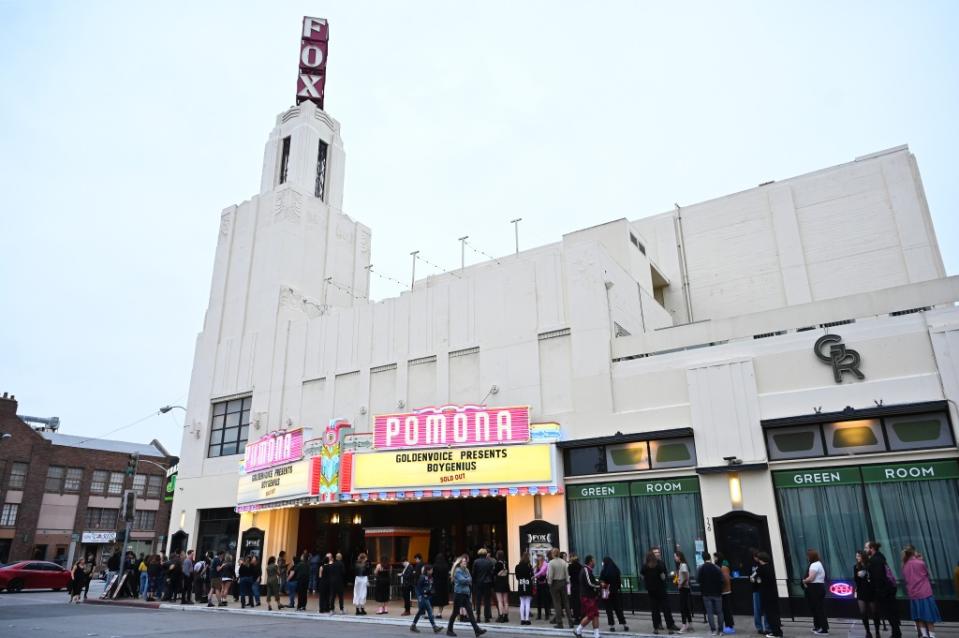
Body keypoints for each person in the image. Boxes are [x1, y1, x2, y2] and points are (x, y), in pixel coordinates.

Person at [902, 545, 941, 638]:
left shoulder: (905, 565)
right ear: (913, 552)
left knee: (919, 616)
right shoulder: (920, 563)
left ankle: (924, 635)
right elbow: (926, 573)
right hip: (924, 592)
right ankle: (932, 635)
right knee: (928, 616)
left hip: (913, 594)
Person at [866, 540, 902, 638]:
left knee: (889, 612)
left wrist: (878, 591)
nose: (865, 550)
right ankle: (896, 632)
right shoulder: (880, 557)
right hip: (888, 589)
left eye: (866, 548)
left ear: (871, 548)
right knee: (891, 612)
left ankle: (896, 633)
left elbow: (878, 577)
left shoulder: (875, 560)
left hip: (884, 591)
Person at [446, 554, 487, 637]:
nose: (465, 563)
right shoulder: (457, 571)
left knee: (470, 613)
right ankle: (449, 630)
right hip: (459, 594)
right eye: (463, 562)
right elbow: (462, 581)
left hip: (465, 594)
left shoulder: (467, 570)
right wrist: (467, 579)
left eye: (465, 562)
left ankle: (477, 630)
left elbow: (470, 579)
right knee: (455, 613)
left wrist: (467, 579)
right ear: (460, 563)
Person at [642, 549, 679, 634]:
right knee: (665, 608)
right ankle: (669, 627)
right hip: (660, 589)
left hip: (651, 590)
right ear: (652, 554)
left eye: (658, 552)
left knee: (655, 609)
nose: (657, 554)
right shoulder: (659, 565)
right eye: (655, 553)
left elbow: (642, 576)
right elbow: (663, 577)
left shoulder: (645, 566)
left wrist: (649, 581)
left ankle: (656, 627)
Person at [754, 552, 782, 638]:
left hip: (766, 594)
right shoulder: (770, 567)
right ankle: (777, 631)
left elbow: (758, 580)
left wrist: (755, 580)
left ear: (761, 559)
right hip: (773, 593)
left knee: (770, 614)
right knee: (774, 613)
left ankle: (775, 633)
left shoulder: (761, 569)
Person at [410, 563, 444, 633]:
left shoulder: (429, 577)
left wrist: (431, 591)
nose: (432, 571)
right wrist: (420, 596)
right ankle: (434, 627)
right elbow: (418, 587)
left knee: (420, 612)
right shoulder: (423, 577)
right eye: (431, 570)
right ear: (428, 570)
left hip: (426, 597)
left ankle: (413, 625)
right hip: (423, 597)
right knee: (429, 611)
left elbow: (429, 587)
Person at [697, 552, 725, 636]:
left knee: (710, 613)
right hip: (717, 593)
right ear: (710, 558)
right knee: (720, 612)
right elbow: (722, 579)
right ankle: (721, 630)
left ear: (703, 559)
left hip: (706, 593)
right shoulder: (716, 567)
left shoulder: (700, 568)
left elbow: (698, 580)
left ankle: (713, 630)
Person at [599, 556, 629, 633]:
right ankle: (624, 624)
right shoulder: (616, 569)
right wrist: (616, 588)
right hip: (615, 592)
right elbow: (619, 582)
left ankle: (612, 626)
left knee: (609, 610)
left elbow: (601, 580)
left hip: (606, 592)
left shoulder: (604, 571)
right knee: (618, 609)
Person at [575, 555, 602, 638]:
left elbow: (592, 581)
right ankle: (578, 630)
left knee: (595, 614)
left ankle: (596, 635)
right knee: (591, 615)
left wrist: (598, 583)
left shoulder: (588, 570)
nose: (594, 562)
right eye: (593, 560)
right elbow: (590, 583)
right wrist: (600, 585)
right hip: (587, 596)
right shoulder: (586, 570)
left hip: (590, 596)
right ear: (590, 561)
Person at [802, 549, 828, 635]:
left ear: (811, 556)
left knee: (818, 609)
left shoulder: (814, 565)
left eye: (808, 556)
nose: (807, 557)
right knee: (818, 608)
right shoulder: (819, 564)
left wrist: (804, 581)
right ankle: (819, 626)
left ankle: (823, 629)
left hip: (815, 588)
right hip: (819, 587)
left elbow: (811, 578)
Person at [854, 551, 879, 638]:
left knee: (874, 612)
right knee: (863, 612)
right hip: (861, 591)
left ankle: (877, 631)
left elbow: (875, 578)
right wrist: (858, 575)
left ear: (863, 557)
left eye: (859, 556)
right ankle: (868, 632)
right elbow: (856, 581)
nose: (857, 558)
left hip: (871, 591)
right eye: (856, 556)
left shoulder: (870, 565)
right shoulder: (856, 567)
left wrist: (867, 574)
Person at [548, 548, 573, 628]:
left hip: (555, 583)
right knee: (566, 602)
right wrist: (567, 581)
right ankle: (570, 621)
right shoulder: (563, 562)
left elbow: (551, 575)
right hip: (563, 582)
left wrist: (549, 583)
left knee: (557, 603)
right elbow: (567, 573)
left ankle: (560, 623)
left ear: (553, 554)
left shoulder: (551, 563)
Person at [747, 550, 767, 636]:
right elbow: (750, 575)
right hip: (756, 589)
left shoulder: (763, 565)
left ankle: (767, 626)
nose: (756, 559)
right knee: (757, 609)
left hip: (763, 589)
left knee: (766, 609)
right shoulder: (752, 565)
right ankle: (759, 627)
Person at [713, 552, 734, 634]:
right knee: (725, 609)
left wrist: (719, 588)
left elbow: (725, 580)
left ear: (718, 557)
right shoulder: (720, 566)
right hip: (724, 591)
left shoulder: (723, 567)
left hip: (725, 591)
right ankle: (728, 625)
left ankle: (730, 626)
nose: (714, 559)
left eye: (715, 557)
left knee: (726, 609)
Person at [472, 548, 495, 622]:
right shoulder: (489, 562)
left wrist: (474, 582)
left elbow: (474, 573)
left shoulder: (476, 562)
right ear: (485, 554)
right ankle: (486, 617)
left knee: (478, 600)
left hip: (478, 583)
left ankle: (478, 617)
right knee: (487, 601)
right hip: (487, 583)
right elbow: (491, 573)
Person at [675, 551, 693, 633]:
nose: (675, 558)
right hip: (684, 588)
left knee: (683, 607)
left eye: (675, 556)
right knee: (685, 607)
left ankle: (684, 625)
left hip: (684, 588)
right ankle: (690, 624)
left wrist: (681, 584)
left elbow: (686, 576)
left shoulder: (683, 565)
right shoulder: (682, 565)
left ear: (679, 557)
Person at [515, 552, 534, 626]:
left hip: (521, 584)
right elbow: (532, 576)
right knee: (528, 602)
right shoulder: (529, 566)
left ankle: (522, 619)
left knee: (522, 602)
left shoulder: (518, 566)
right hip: (528, 584)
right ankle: (527, 619)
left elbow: (517, 577)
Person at [493, 550, 510, 623]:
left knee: (500, 600)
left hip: (499, 582)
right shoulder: (505, 563)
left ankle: (501, 615)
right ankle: (506, 616)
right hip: (505, 582)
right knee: (506, 601)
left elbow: (494, 573)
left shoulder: (497, 564)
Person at [432, 553, 450, 620]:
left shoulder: (434, 566)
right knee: (441, 600)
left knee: (433, 600)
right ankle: (439, 613)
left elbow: (432, 575)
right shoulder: (446, 566)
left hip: (435, 584)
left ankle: (431, 613)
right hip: (443, 585)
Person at [534, 553, 551, 621]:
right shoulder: (537, 565)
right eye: (537, 556)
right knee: (538, 600)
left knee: (545, 600)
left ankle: (547, 615)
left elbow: (542, 571)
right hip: (538, 584)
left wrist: (535, 576)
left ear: (542, 557)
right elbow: (535, 572)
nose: (538, 557)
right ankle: (539, 615)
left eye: (539, 556)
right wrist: (535, 575)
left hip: (544, 584)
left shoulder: (545, 564)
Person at [568, 553, 583, 625]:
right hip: (580, 586)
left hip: (574, 585)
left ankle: (576, 617)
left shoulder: (570, 566)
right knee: (579, 601)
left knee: (575, 602)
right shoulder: (580, 566)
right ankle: (581, 616)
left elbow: (569, 574)